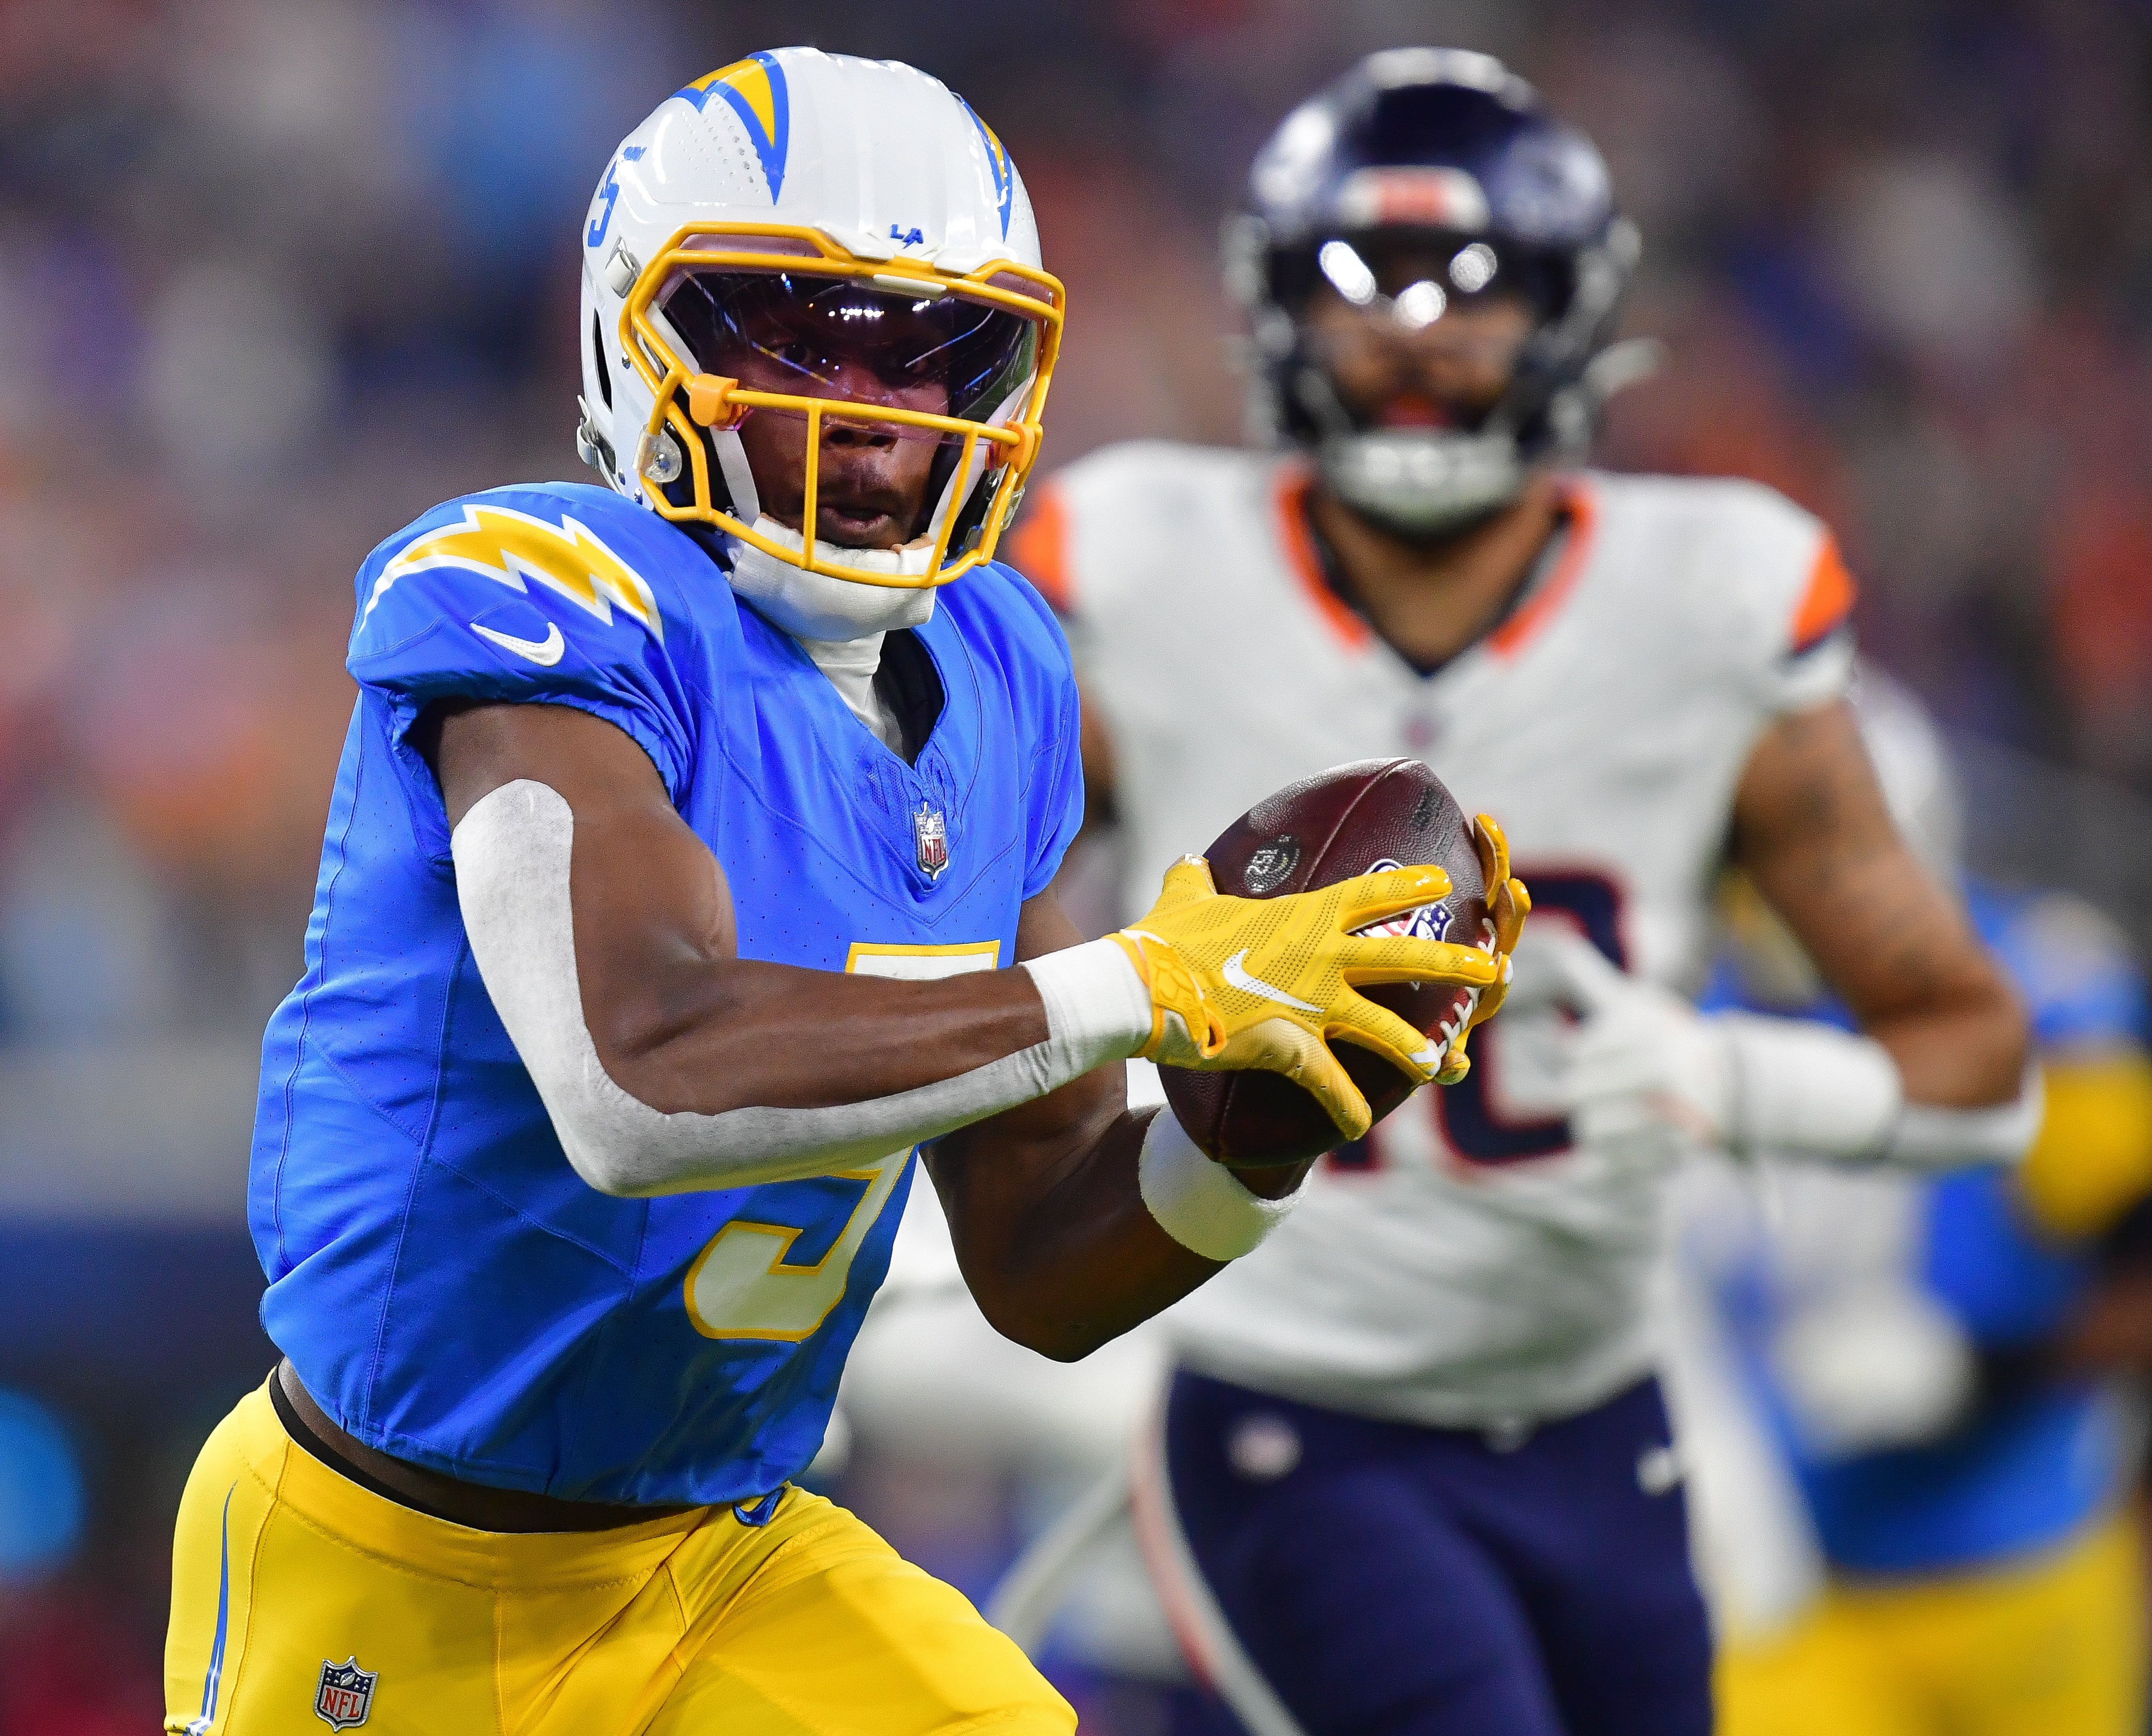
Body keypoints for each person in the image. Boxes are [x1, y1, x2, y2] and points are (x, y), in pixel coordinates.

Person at [159, 47, 1513, 1736]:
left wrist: (1257, 1139)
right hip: (398, 1559)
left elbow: (1038, 1257)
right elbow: (634, 1076)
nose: (872, 416)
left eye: (935, 355)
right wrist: (1152, 981)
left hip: (722, 1555)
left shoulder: (1008, 665)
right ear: (633, 342)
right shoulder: (539, 599)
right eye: (793, 338)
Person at [1005, 48, 2035, 1736]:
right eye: (1360, 285)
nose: (1416, 335)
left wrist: (1732, 1079)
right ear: (1272, 310)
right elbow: (979, 923)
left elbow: (1975, 1055)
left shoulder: (1710, 600)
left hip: (1598, 1420)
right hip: (1290, 1406)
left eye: (1476, 289)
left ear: (1572, 316)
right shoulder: (1139, 565)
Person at [1687, 670, 2152, 1736]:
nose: (1786, 895)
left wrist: (1979, 1372)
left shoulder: (2046, 995)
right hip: (1800, 1583)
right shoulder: (1690, 1002)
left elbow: (2137, 1277)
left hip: (2017, 1566)